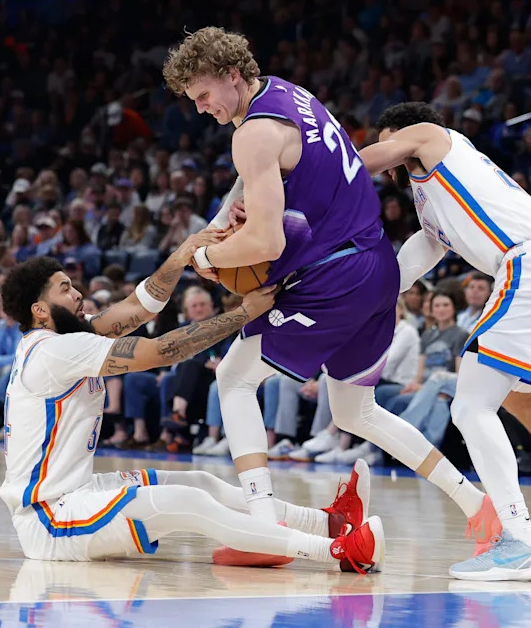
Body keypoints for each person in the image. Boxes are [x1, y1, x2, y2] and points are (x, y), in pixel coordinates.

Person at [162, 28, 493, 573]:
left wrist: (204, 259)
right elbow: (271, 189)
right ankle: (477, 504)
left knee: (233, 380)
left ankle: (263, 527)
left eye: (202, 95)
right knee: (355, 410)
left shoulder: (252, 134)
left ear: (230, 75)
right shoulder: (291, 94)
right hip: (375, 266)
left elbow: (266, 243)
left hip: (333, 274)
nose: (200, 109)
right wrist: (223, 222)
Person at [358, 101, 531, 581]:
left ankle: (520, 541)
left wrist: (313, 170)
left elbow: (365, 162)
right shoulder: (432, 200)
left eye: (388, 140)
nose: (389, 154)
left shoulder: (429, 134)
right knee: (516, 398)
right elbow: (416, 258)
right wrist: (369, 292)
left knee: (469, 407)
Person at [0, 248, 382, 570]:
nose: (78, 294)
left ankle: (331, 522)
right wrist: (243, 313)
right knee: (188, 502)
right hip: (51, 519)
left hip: (77, 492)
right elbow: (163, 351)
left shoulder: (67, 339)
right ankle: (337, 551)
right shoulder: (54, 350)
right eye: (65, 290)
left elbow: (138, 305)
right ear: (41, 311)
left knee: (199, 482)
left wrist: (182, 254)